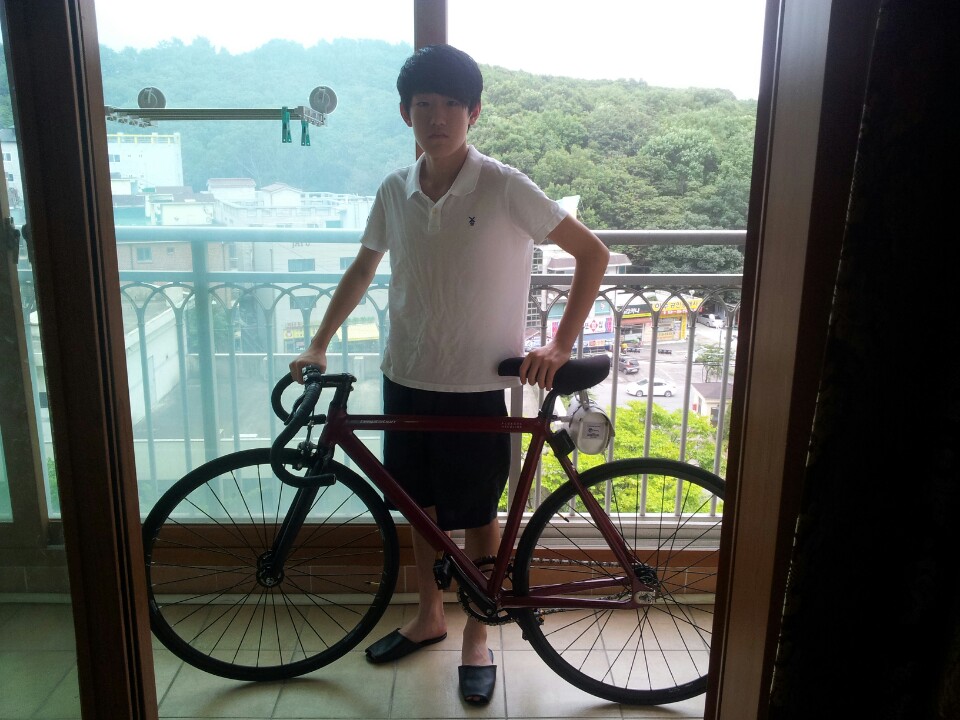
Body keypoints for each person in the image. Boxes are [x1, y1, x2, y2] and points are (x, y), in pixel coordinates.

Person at [289, 43, 609, 705]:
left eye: (452, 105)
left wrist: (559, 344)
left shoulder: (503, 185)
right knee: (419, 507)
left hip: (477, 383)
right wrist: (318, 343)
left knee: (479, 515)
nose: (437, 117)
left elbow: (592, 253)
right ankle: (429, 616)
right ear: (406, 113)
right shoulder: (394, 189)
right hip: (406, 373)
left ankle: (477, 636)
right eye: (424, 104)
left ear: (474, 112)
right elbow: (363, 267)